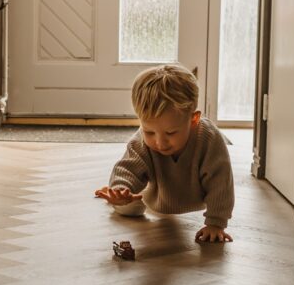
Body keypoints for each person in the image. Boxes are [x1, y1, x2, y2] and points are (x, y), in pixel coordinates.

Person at [95, 64, 234, 243]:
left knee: (218, 188)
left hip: (197, 196)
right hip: (153, 199)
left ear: (194, 119)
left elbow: (221, 183)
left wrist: (216, 223)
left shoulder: (209, 139)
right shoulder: (141, 142)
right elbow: (127, 168)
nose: (160, 143)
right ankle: (114, 193)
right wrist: (121, 189)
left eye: (171, 133)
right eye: (150, 132)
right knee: (126, 206)